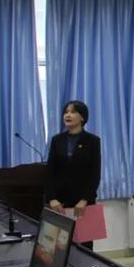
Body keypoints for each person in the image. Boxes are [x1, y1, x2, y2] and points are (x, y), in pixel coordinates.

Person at [46, 100, 101, 249]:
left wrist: (85, 200)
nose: (68, 115)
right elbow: (50, 172)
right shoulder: (57, 140)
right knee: (58, 248)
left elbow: (95, 173)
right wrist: (52, 198)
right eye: (66, 112)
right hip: (59, 203)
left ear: (82, 117)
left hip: (83, 203)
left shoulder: (93, 141)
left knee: (84, 247)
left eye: (72, 112)